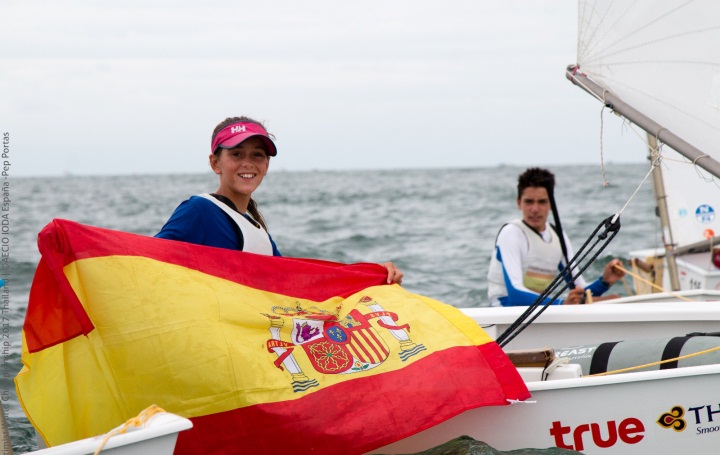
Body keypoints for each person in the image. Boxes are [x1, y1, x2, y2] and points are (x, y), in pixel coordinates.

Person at [156, 116, 403, 284]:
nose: (248, 163)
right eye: (237, 154)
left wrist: (370, 275)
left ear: (266, 165)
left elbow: (293, 280)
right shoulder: (200, 211)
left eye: (258, 155)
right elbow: (145, 264)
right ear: (215, 163)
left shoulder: (255, 229)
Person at [487, 167, 624, 306]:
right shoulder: (511, 233)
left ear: (551, 204)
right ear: (519, 203)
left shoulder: (558, 236)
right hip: (506, 314)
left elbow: (579, 291)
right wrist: (561, 304)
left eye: (542, 202)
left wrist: (604, 282)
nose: (535, 209)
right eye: (529, 202)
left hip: (539, 313)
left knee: (615, 299)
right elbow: (515, 294)